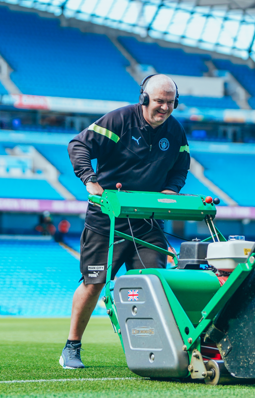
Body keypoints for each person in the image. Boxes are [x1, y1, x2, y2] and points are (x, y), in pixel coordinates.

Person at [60, 74, 190, 369]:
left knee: (155, 283)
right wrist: (88, 179)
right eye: (159, 101)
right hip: (107, 220)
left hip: (148, 222)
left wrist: (171, 192)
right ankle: (71, 346)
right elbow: (78, 145)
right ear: (144, 98)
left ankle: (155, 351)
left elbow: (181, 167)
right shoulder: (119, 120)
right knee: (93, 284)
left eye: (170, 103)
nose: (165, 108)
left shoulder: (176, 132)